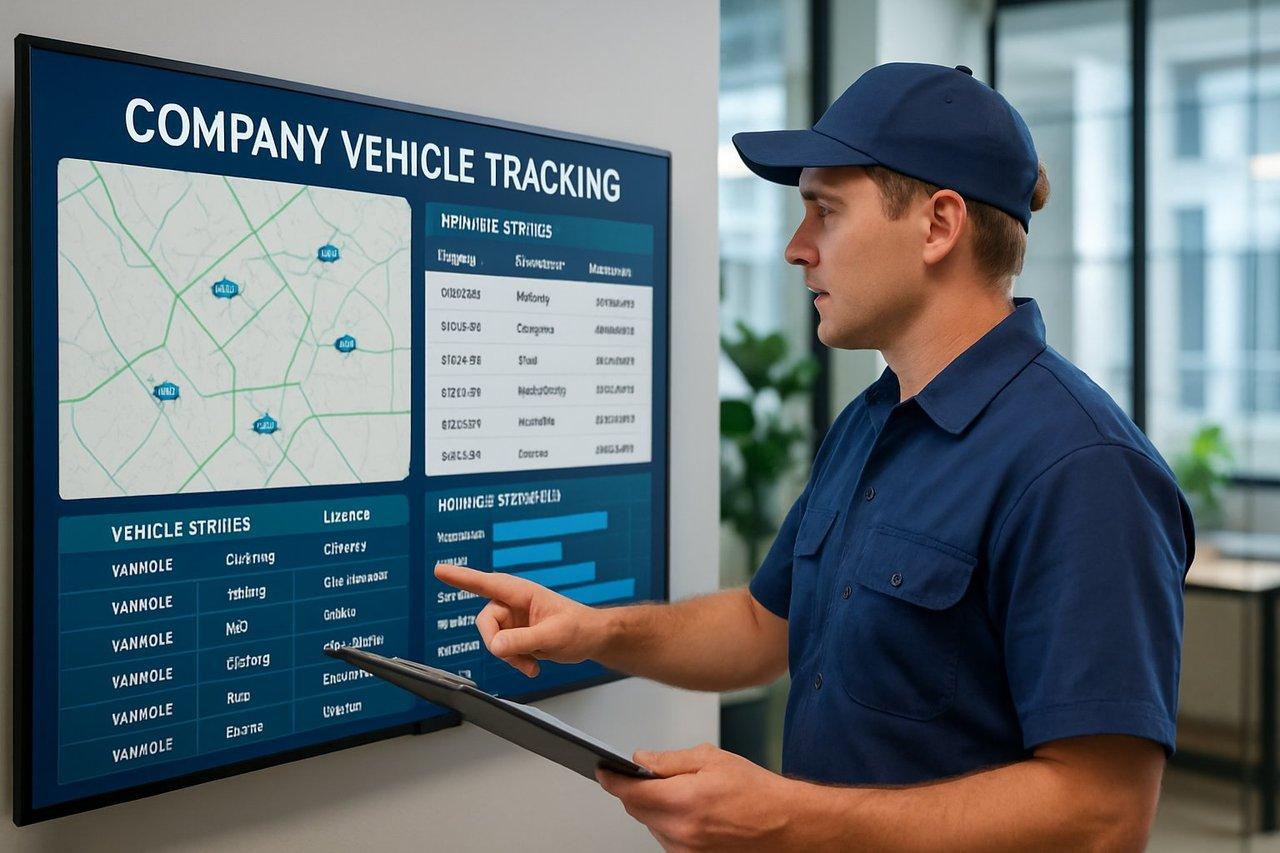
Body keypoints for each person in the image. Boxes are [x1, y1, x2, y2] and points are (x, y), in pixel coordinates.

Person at [435, 61, 1194, 851]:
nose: (797, 248)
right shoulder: (873, 420)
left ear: (938, 225)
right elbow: (766, 623)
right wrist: (596, 630)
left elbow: (1104, 812)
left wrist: (792, 819)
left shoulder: (1081, 467)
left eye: (824, 211)